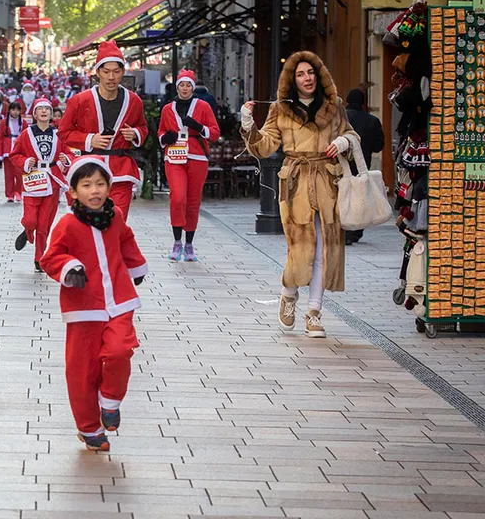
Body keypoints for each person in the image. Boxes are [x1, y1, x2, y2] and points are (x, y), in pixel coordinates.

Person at [241, 51, 359, 338]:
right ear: (292, 80)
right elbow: (266, 146)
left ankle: (314, 313)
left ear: (319, 76)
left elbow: (353, 135)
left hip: (328, 182)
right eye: (300, 74)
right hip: (295, 183)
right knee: (301, 247)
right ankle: (288, 293)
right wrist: (247, 125)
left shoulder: (335, 106)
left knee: (325, 249)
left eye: (311, 73)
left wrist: (343, 141)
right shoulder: (280, 109)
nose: (307, 78)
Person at [39, 157, 147, 452]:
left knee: (121, 349)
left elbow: (126, 241)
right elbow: (50, 258)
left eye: (100, 184)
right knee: (81, 370)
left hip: (119, 300)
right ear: (73, 192)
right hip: (83, 305)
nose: (95, 190)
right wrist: (70, 267)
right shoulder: (67, 224)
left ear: (109, 187)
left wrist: (136, 267)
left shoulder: (117, 216)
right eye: (87, 185)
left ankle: (110, 401)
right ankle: (89, 428)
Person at [58, 41, 149, 218]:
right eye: (106, 72)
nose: (111, 77)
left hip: (122, 170)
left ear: (123, 72)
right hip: (90, 170)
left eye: (116, 72)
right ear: (98, 72)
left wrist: (136, 134)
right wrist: (89, 140)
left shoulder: (134, 101)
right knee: (90, 223)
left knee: (117, 221)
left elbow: (143, 127)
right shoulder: (80, 100)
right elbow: (63, 133)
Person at [157, 69, 221, 262]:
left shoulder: (203, 106)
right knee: (177, 198)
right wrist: (164, 138)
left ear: (193, 87)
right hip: (174, 156)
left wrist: (199, 127)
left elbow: (215, 133)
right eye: (181, 85)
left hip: (197, 156)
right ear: (177, 87)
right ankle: (177, 242)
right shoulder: (168, 108)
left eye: (188, 85)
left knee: (193, 202)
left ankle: (189, 244)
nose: (184, 88)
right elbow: (160, 131)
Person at [9, 98, 69, 271]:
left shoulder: (58, 134)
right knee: (30, 220)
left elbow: (68, 153)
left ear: (51, 114)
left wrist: (66, 160)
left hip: (52, 180)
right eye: (40, 109)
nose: (44, 112)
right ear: (34, 114)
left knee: (43, 224)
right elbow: (14, 155)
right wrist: (26, 161)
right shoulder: (26, 134)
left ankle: (39, 258)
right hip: (33, 180)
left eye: (47, 109)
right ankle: (27, 230)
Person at [343, 88, 385, 245]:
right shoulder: (372, 120)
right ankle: (355, 230)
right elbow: (378, 146)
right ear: (363, 103)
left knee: (344, 195)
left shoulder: (340, 119)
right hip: (362, 165)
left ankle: (343, 227)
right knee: (360, 196)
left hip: (342, 165)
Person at [0, 100, 28, 203]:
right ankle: (9, 194)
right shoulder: (3, 122)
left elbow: (28, 137)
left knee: (19, 174)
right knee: (8, 174)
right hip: (7, 150)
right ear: (9, 110)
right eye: (13, 109)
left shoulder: (23, 122)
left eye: (17, 110)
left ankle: (18, 192)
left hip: (19, 151)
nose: (15, 112)